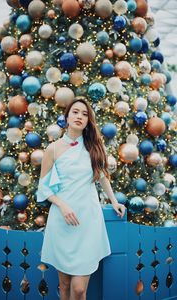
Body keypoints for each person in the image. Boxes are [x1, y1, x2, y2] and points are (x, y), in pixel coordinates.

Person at [37, 97, 126, 300]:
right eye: (75, 112)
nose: (79, 117)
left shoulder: (93, 146)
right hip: (63, 220)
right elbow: (43, 187)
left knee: (79, 289)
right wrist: (62, 205)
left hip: (88, 221)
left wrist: (113, 201)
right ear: (67, 117)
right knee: (65, 284)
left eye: (84, 114)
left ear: (88, 121)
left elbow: (102, 176)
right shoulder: (53, 148)